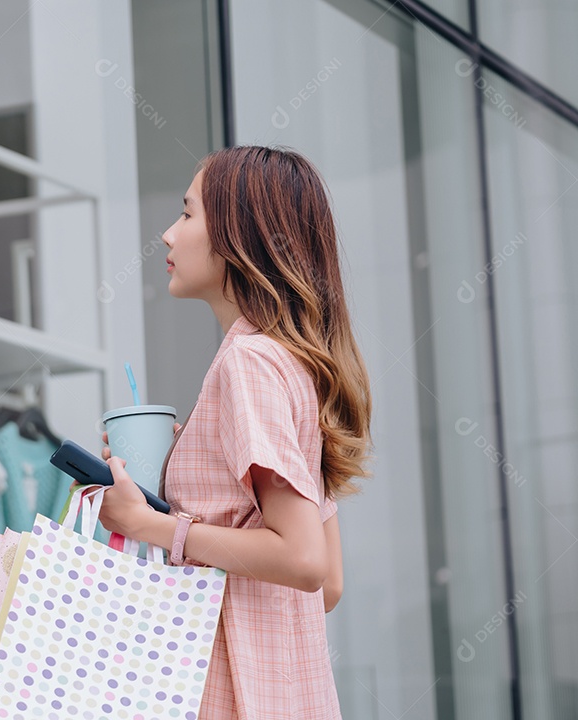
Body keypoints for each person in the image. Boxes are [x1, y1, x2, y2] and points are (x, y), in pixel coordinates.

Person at [98, 145, 373, 719]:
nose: (169, 235)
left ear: (238, 237)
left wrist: (149, 523)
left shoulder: (248, 364)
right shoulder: (291, 364)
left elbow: (303, 561)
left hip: (229, 696)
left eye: (188, 213)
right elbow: (330, 585)